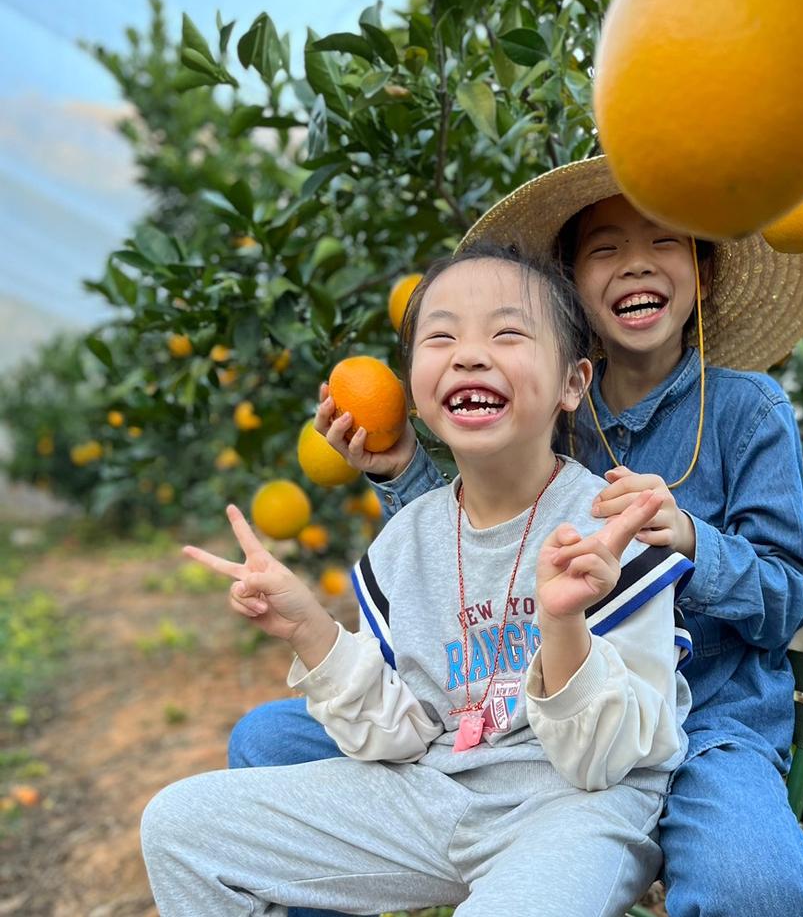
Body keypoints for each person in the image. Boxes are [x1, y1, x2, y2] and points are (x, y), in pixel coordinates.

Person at [233, 156, 803, 916]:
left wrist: (693, 539)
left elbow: (790, 601)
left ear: (705, 272)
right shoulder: (544, 401)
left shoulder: (747, 412)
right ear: (573, 293)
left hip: (709, 719)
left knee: (756, 887)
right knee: (269, 743)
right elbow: (466, 553)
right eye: (605, 249)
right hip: (530, 714)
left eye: (664, 242)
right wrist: (400, 469)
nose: (635, 264)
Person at [141, 247, 695, 917]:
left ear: (572, 383)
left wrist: (563, 625)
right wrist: (309, 629)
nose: (469, 355)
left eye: (507, 332)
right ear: (413, 389)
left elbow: (607, 762)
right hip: (435, 794)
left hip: (572, 812)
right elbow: (400, 736)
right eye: (441, 337)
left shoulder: (612, 526)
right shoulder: (406, 540)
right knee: (179, 828)